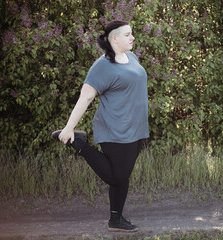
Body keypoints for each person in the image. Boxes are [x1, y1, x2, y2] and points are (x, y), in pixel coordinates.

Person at [51, 20, 149, 232]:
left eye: (132, 34)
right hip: (115, 129)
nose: (132, 38)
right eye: (127, 35)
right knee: (117, 176)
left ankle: (116, 220)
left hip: (135, 128)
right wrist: (69, 127)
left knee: (121, 177)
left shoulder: (131, 57)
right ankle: (78, 144)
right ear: (114, 38)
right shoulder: (102, 66)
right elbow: (85, 98)